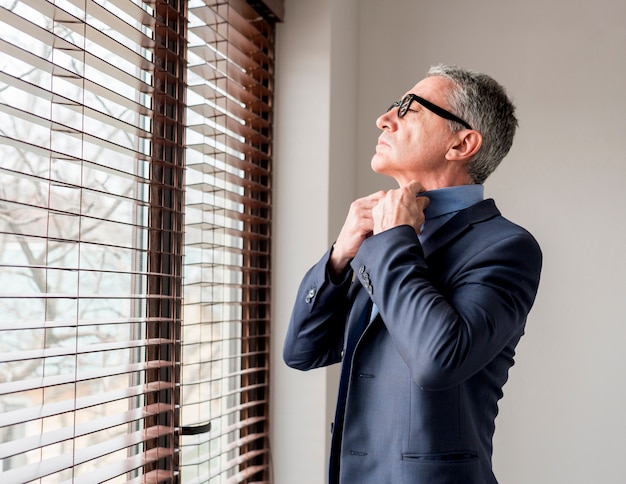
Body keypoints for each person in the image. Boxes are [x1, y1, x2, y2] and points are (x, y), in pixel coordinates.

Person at [283, 64, 542, 484]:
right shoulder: (382, 237)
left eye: (410, 108)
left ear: (462, 144)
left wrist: (395, 238)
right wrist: (340, 254)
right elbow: (303, 351)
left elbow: (439, 359)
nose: (384, 119)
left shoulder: (506, 247)